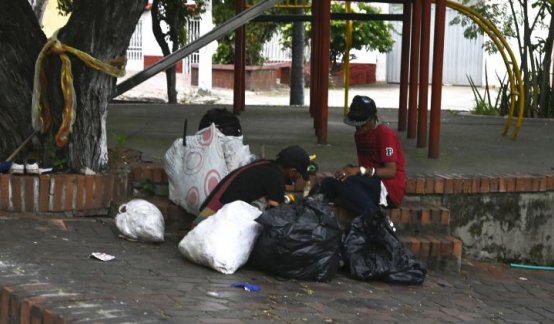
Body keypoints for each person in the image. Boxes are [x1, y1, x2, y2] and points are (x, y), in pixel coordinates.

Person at [318, 95, 406, 216]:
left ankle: (373, 216)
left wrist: (360, 170)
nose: (359, 128)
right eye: (356, 125)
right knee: (328, 183)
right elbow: (364, 168)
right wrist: (349, 170)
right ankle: (345, 203)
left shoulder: (385, 133)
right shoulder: (359, 135)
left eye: (362, 125)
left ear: (371, 119)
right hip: (367, 183)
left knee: (346, 185)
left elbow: (391, 171)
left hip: (387, 189)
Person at [191, 145, 310, 227]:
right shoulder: (276, 179)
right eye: (299, 174)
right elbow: (275, 217)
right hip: (213, 219)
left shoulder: (265, 165)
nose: (298, 178)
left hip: (206, 213)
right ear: (292, 171)